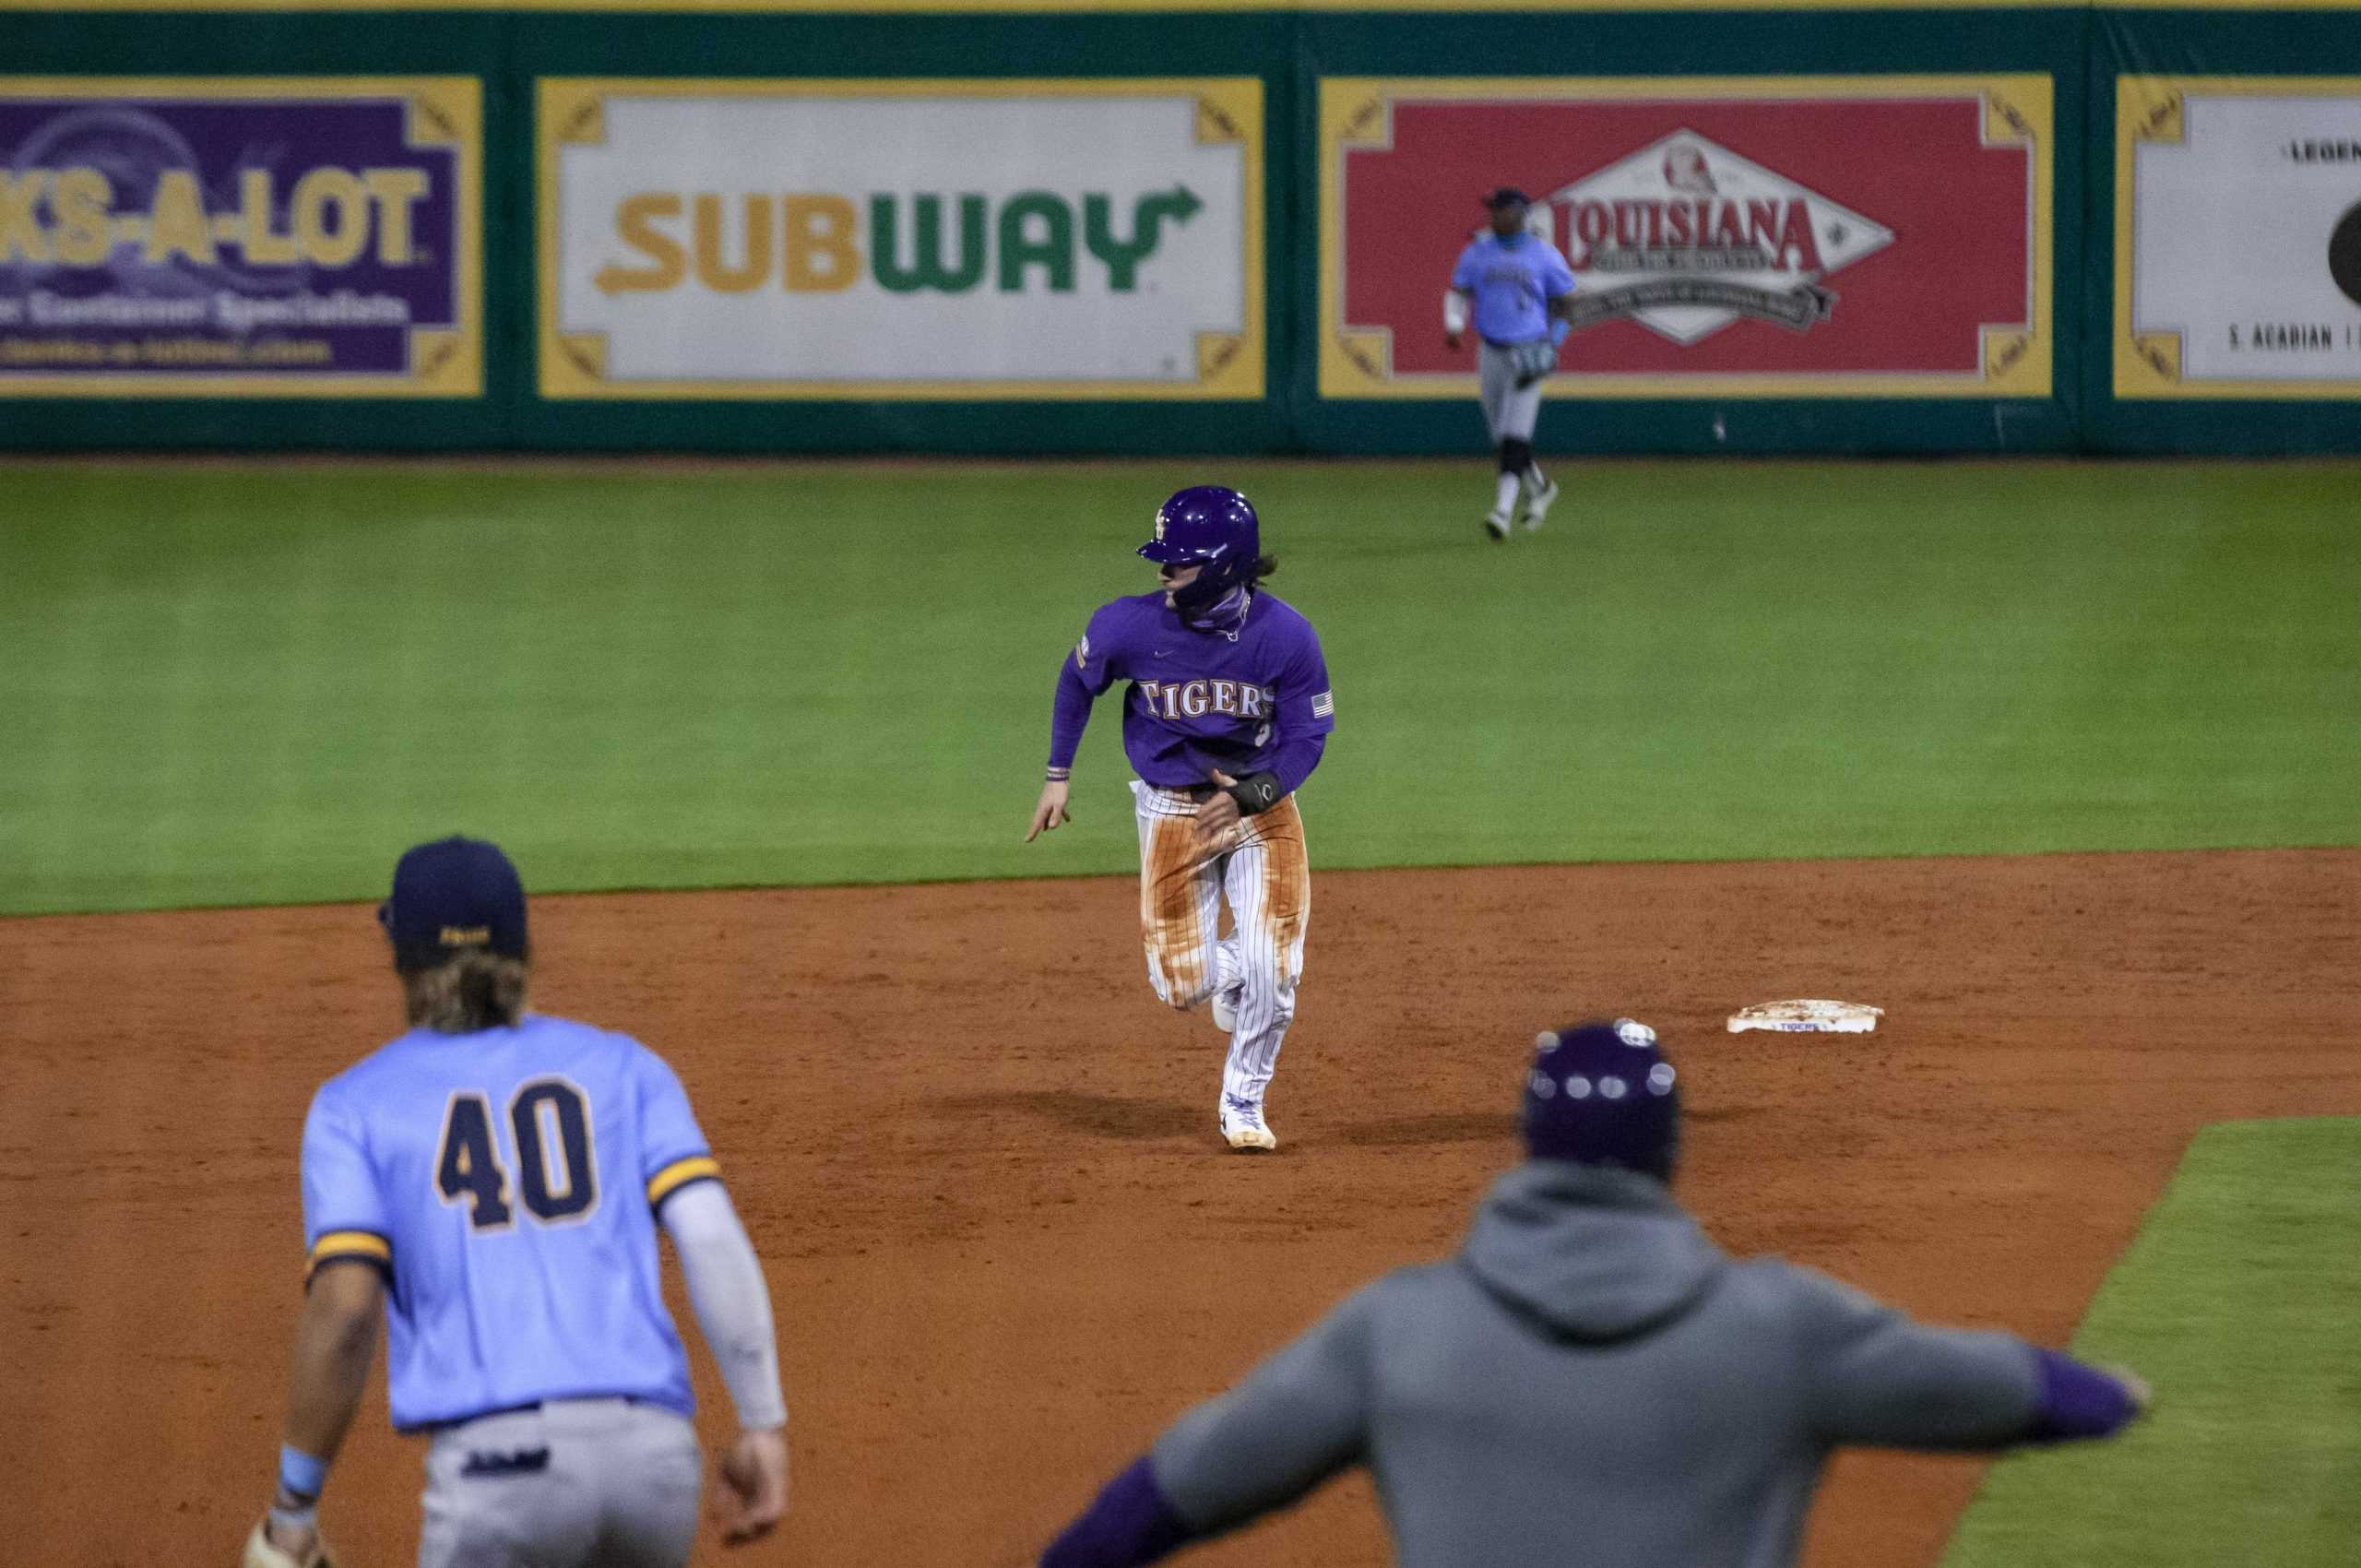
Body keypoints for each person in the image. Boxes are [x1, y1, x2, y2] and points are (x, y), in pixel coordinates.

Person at [1034, 1017, 2149, 1568]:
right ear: (1668, 1150)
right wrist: (2117, 1393)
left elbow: (1172, 1490)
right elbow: (2020, 1392)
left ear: (1527, 1146)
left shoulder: (1398, 1329)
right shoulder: (1782, 1325)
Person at [243, 837, 790, 1568]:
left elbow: (345, 1310)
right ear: (522, 950)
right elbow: (710, 1234)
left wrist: (294, 1508)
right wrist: (761, 1423)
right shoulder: (626, 1066)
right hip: (654, 1468)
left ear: (401, 957)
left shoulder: (353, 1107)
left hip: (497, 1481)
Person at [1025, 485, 1335, 1152]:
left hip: (1262, 806)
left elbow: (1308, 735)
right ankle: (1238, 976)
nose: (1163, 571)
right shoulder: (1128, 625)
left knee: (1275, 966)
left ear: (1224, 565)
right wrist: (1057, 775)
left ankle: (1244, 1101)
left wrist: (1261, 788)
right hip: (1171, 808)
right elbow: (1076, 682)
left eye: (1180, 561)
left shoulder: (1286, 635)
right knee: (1181, 985)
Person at [1445, 186, 1577, 541]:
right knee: (1501, 438)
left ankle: (1501, 511)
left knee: (1515, 436)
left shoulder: (1543, 255)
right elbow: (1459, 291)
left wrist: (1554, 342)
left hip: (1529, 350)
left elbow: (1566, 302)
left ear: (1519, 213)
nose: (1495, 215)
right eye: (1493, 209)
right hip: (1491, 350)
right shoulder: (1478, 252)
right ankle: (1541, 488)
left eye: (1501, 209)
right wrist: (1454, 324)